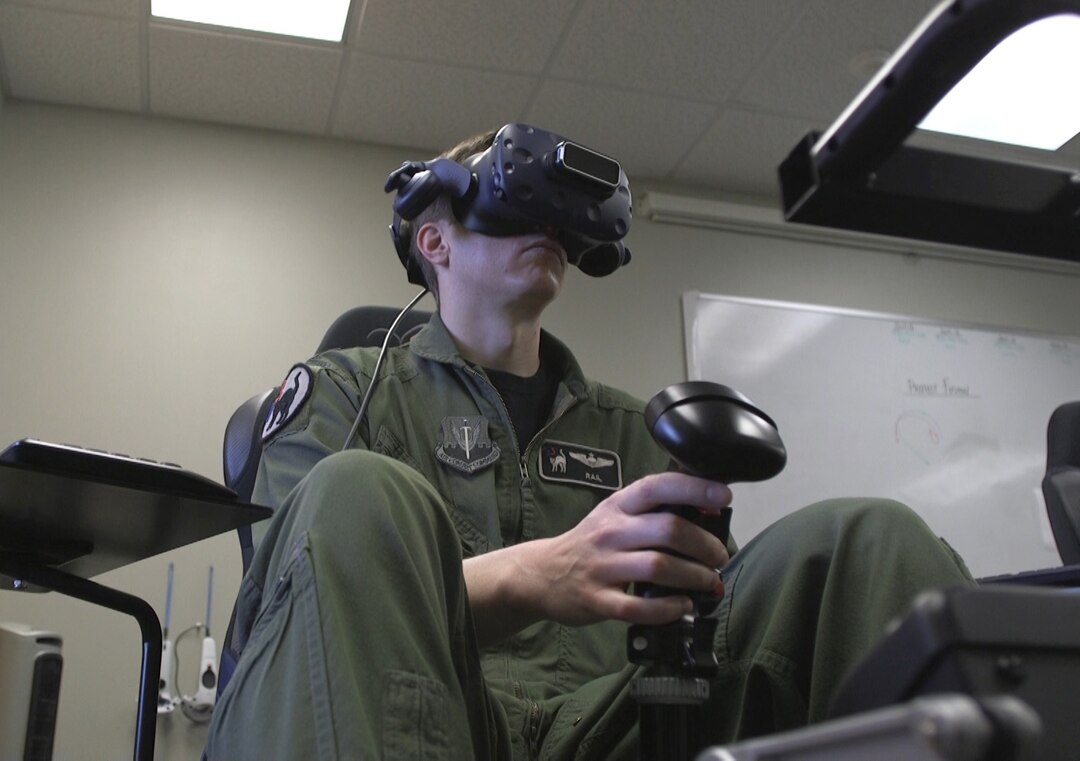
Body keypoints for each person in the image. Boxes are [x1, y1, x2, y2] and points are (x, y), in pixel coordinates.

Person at [204, 125, 974, 760]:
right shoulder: (345, 392)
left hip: (607, 728)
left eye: (554, 215)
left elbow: (713, 619)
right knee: (358, 490)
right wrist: (540, 574)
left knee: (869, 538)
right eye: (508, 203)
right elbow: (284, 611)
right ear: (433, 240)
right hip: (422, 719)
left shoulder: (640, 434)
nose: (542, 228)